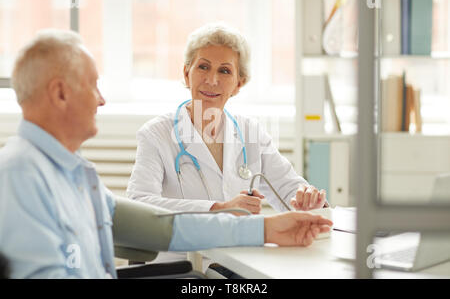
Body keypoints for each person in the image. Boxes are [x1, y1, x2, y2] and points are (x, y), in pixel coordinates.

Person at [0, 29, 332, 279]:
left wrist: (267, 229)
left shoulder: (74, 173)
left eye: (226, 71)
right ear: (60, 93)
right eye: (93, 85)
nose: (102, 100)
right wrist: (229, 212)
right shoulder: (20, 175)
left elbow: (162, 228)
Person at [126, 23, 330, 271]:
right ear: (186, 73)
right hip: (180, 268)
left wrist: (306, 201)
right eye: (203, 67)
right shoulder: (156, 134)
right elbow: (139, 205)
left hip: (238, 264)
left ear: (238, 84)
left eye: (224, 71)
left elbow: (288, 189)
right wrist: (216, 209)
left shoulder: (250, 133)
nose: (211, 80)